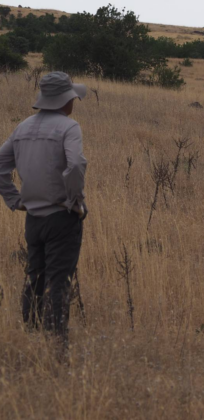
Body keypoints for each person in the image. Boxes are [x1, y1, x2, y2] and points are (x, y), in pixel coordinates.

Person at [0, 72, 88, 349]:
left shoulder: (23, 127)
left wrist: (15, 200)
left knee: (34, 278)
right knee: (59, 281)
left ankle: (30, 338)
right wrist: (75, 201)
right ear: (66, 100)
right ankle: (57, 344)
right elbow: (74, 166)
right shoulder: (69, 127)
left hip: (33, 220)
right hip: (61, 216)